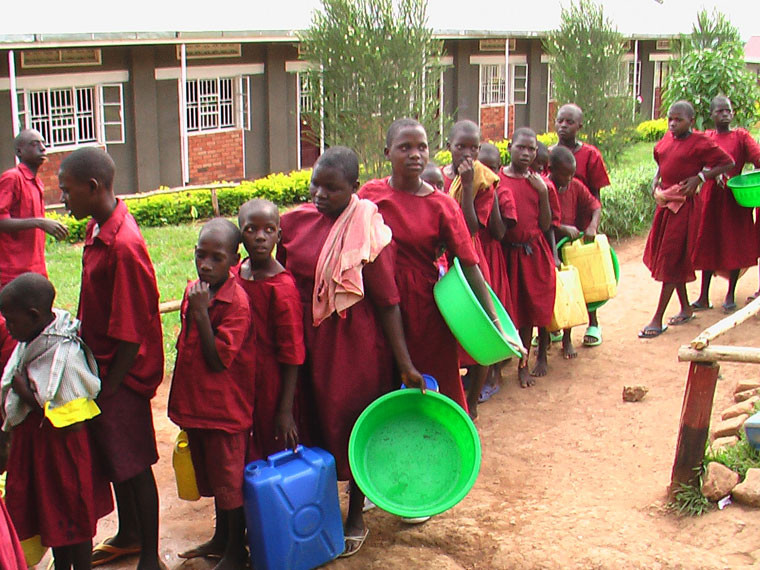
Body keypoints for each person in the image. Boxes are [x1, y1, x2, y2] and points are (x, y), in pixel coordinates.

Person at [278, 146, 423, 556]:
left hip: (356, 346)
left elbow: (388, 302)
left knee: (354, 423)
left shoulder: (370, 232)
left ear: (355, 189)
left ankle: (355, 512)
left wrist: (405, 363)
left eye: (332, 188)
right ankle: (317, 507)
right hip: (306, 340)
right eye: (315, 185)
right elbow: (281, 282)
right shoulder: (293, 224)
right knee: (312, 423)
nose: (320, 194)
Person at [58, 147, 165, 570]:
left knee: (135, 462)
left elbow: (132, 332)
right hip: (101, 368)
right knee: (116, 457)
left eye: (66, 191)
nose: (62, 198)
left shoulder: (124, 244)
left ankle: (151, 555)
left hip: (122, 375)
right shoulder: (98, 229)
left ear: (93, 187)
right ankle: (130, 534)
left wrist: (110, 387)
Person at [359, 118, 505, 413]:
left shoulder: (442, 204)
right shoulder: (370, 195)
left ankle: (449, 452)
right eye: (405, 147)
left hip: (424, 308)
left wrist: (494, 318)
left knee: (436, 386)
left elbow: (467, 262)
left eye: (421, 147)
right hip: (375, 306)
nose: (415, 154)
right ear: (387, 152)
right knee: (383, 385)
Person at [0, 273, 112, 570]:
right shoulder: (33, 341)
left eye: (11, 322)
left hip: (65, 458)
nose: (8, 330)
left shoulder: (66, 354)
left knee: (73, 519)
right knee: (52, 519)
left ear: (34, 315)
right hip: (43, 455)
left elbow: (74, 422)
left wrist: (28, 396)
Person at [169, 218, 254, 570]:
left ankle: (237, 551)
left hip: (225, 410)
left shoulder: (236, 303)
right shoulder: (197, 290)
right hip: (198, 404)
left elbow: (219, 359)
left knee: (230, 481)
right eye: (200, 255)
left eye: (216, 258)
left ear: (235, 260)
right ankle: (221, 539)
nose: (205, 264)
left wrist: (203, 315)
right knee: (216, 479)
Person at [639, 101, 734, 338]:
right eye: (670, 119)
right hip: (666, 204)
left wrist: (700, 177)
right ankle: (685, 308)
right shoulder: (668, 138)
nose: (672, 124)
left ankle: (657, 318)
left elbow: (727, 162)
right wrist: (655, 181)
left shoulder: (701, 142)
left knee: (672, 256)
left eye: (678, 120)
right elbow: (661, 160)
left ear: (691, 121)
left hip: (685, 207)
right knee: (673, 256)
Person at [233, 199, 305, 460]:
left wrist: (285, 410)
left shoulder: (282, 289)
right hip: (241, 380)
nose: (260, 237)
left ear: (279, 235)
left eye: (269, 230)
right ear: (240, 234)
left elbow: (293, 354)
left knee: (274, 451)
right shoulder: (236, 275)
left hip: (272, 386)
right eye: (251, 230)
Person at [441, 121, 500, 417]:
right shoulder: (436, 177)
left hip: (470, 257)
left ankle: (473, 401)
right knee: (447, 331)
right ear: (448, 145)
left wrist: (466, 188)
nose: (467, 152)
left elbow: (472, 227)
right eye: (460, 146)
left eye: (473, 147)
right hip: (441, 261)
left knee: (480, 329)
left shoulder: (481, 181)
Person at [499, 128, 561, 387]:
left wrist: (544, 195)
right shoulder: (498, 180)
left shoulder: (541, 184)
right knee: (513, 310)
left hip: (535, 251)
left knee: (537, 307)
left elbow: (548, 224)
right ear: (510, 147)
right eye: (520, 147)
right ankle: (511, 363)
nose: (525, 153)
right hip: (508, 254)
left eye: (531, 149)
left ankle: (535, 358)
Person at [692, 95, 760, 312]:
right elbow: (693, 162)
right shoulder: (706, 137)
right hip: (710, 198)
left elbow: (758, 159)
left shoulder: (740, 137)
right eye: (720, 111)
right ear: (711, 115)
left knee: (734, 243)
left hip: (732, 199)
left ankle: (730, 294)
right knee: (707, 242)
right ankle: (703, 296)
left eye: (728, 110)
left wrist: (743, 180)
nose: (725, 114)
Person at [553, 104, 611, 346]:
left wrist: (591, 226)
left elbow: (594, 197)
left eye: (569, 122)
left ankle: (593, 322)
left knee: (586, 277)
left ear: (580, 126)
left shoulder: (590, 155)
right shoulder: (549, 154)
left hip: (581, 228)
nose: (563, 125)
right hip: (556, 229)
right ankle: (556, 323)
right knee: (558, 279)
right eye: (560, 120)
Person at [548, 146, 602, 359]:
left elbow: (595, 206)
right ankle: (549, 333)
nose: (569, 179)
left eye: (572, 175)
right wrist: (561, 228)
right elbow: (543, 222)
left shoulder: (576, 187)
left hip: (567, 248)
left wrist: (592, 227)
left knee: (568, 292)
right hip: (549, 246)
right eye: (565, 175)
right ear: (551, 169)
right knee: (549, 294)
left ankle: (567, 338)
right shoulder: (545, 186)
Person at [0, 129, 68, 287]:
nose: (43, 148)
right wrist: (40, 222)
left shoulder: (37, 183)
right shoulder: (12, 178)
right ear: (19, 151)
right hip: (12, 271)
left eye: (43, 143)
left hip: (35, 268)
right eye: (34, 144)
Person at [476, 143, 517, 402]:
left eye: (492, 168)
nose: (486, 172)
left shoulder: (500, 193)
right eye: (483, 166)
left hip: (491, 255)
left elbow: (500, 232)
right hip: (471, 254)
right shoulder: (466, 187)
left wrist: (491, 196)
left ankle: (495, 373)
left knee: (494, 312)